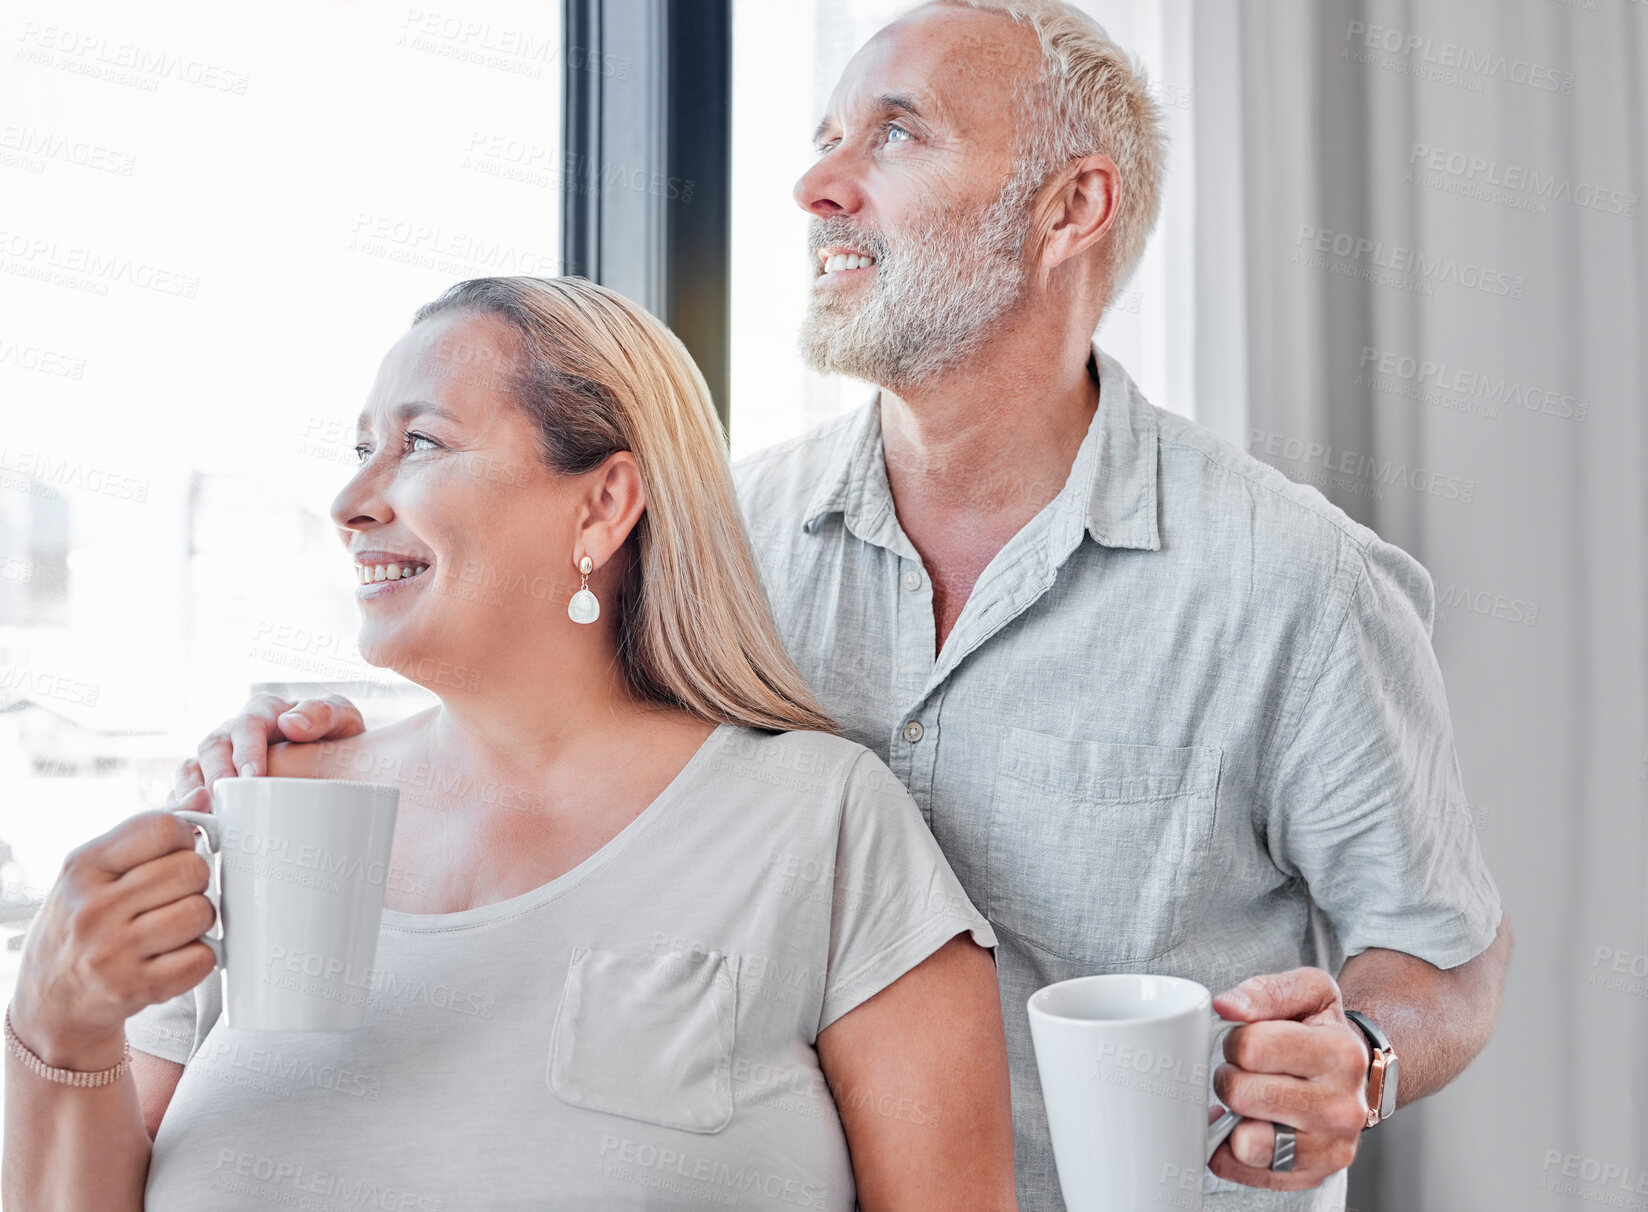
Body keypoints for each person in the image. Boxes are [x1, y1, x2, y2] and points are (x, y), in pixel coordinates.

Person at [170, 1, 1515, 1209]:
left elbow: (1446, 955)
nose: (818, 186)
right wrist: (317, 741)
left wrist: (1359, 1057)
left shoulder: (1295, 588)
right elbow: (538, 715)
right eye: (825, 140)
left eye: (895, 135)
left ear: (1070, 210)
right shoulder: (727, 537)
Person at [1, 277, 1021, 1211]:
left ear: (604, 503)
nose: (352, 504)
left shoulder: (824, 823)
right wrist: (59, 1027)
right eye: (364, 451)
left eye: (424, 444)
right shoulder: (258, 807)